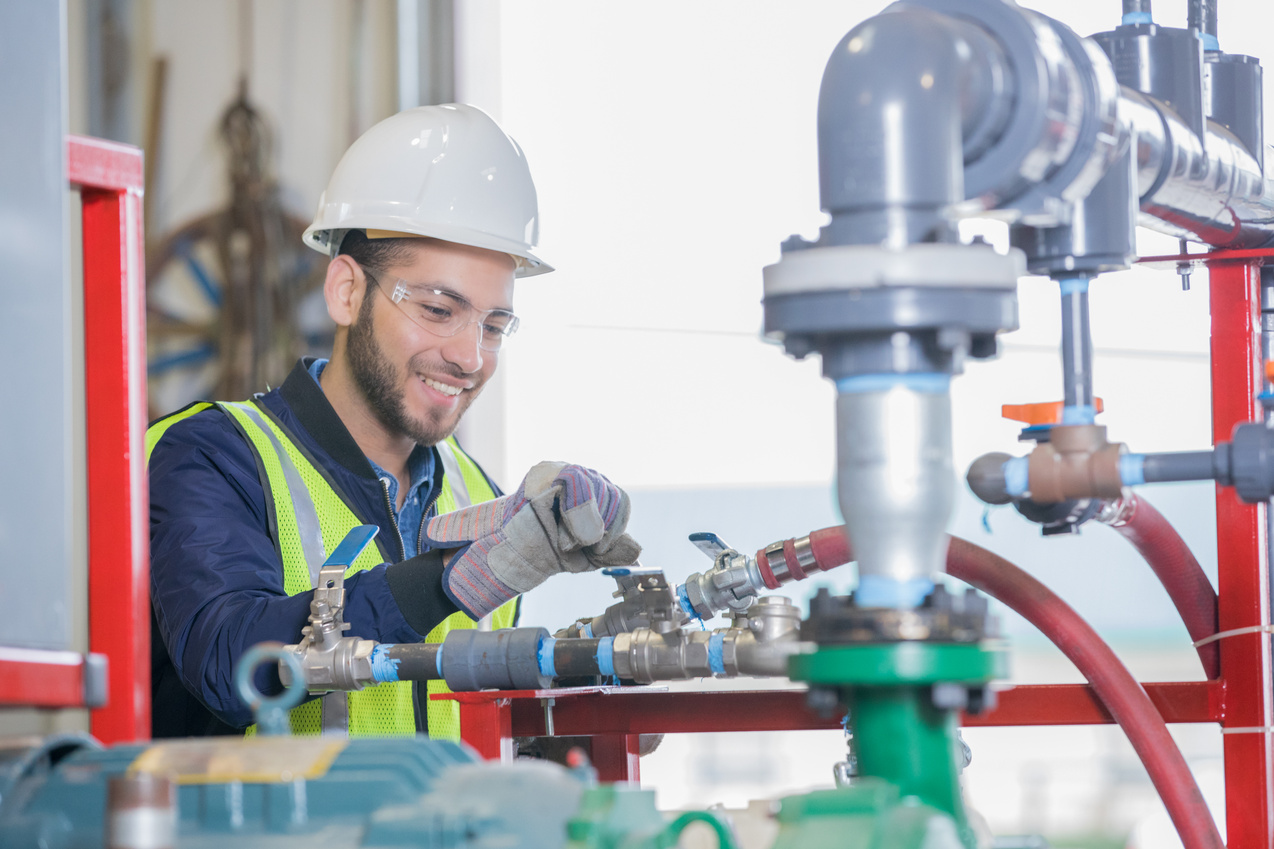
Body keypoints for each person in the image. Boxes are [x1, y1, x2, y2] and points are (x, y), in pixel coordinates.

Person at [147, 103, 639, 739]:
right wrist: (445, 582)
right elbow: (226, 662)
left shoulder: (481, 495)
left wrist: (602, 694)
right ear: (347, 292)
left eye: (494, 325)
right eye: (438, 309)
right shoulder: (213, 455)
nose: (471, 355)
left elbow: (490, 735)